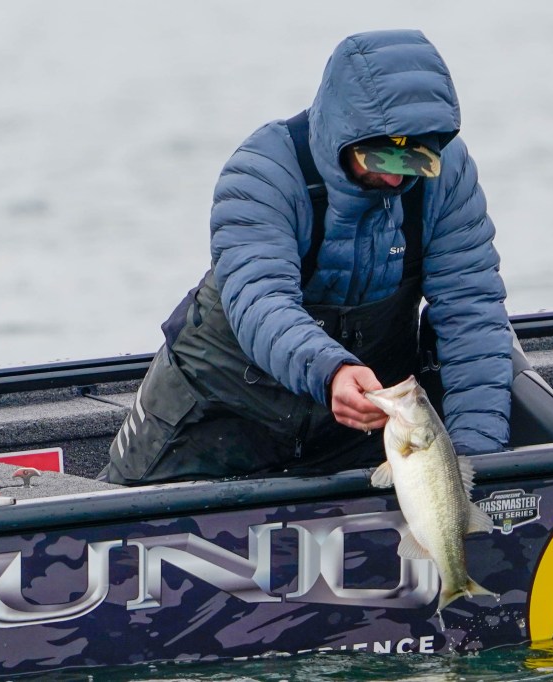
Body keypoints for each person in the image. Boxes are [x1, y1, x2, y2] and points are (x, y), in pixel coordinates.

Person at [100, 29, 513, 485]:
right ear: (344, 135)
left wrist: (477, 466)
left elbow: (472, 315)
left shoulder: (447, 174)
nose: (398, 180)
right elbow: (261, 302)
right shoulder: (262, 171)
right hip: (214, 415)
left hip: (356, 428)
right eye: (381, 159)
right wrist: (332, 371)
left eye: (416, 161)